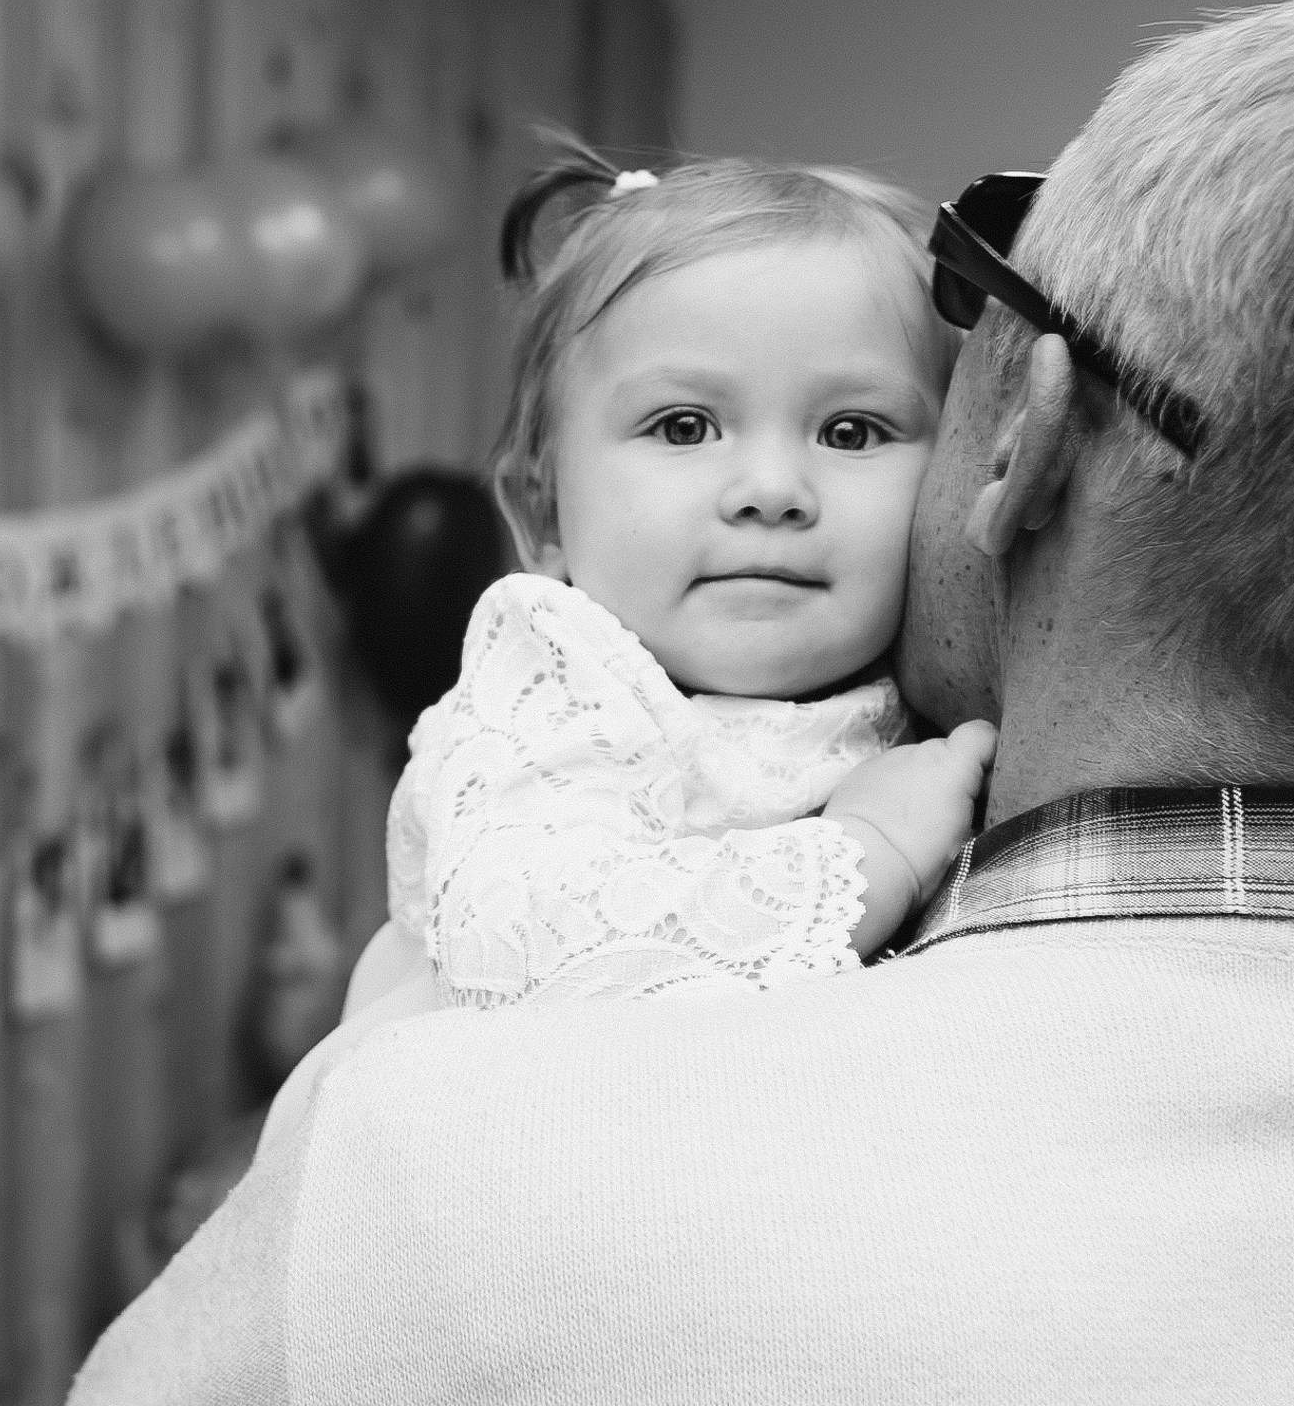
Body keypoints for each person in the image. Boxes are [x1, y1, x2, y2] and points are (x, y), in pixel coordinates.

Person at [69, 0, 1294, 1403]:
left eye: (962, 305)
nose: (772, 490)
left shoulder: (461, 1153)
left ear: (1024, 429)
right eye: (685, 426)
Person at [343, 142, 995, 1022]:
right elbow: (525, 960)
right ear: (543, 513)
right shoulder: (556, 683)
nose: (772, 490)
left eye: (851, 432)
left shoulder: (928, 693)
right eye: (684, 426)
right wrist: (868, 849)